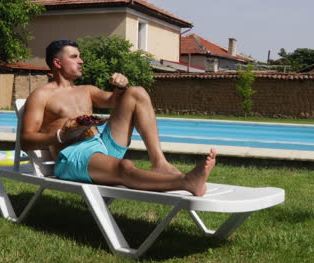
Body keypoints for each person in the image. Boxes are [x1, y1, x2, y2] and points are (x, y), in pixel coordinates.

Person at [21, 40, 216, 196]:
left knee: (135, 92)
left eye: (80, 56)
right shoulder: (42, 95)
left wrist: (121, 86)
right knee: (125, 167)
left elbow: (115, 101)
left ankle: (160, 163)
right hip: (73, 156)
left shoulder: (86, 90)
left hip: (101, 144)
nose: (81, 61)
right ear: (57, 63)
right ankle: (186, 182)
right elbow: (26, 140)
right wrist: (61, 134)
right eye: (74, 57)